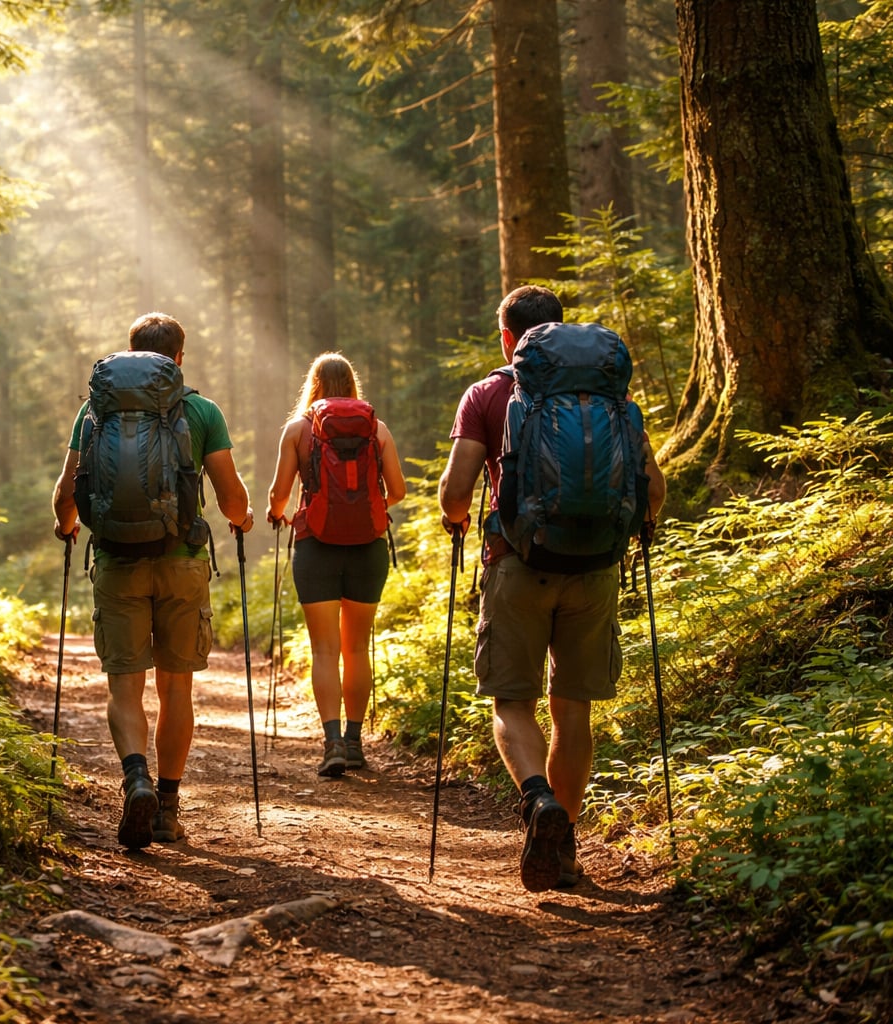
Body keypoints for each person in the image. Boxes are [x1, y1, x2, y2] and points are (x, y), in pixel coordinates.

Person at [437, 284, 666, 892]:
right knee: (574, 709)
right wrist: (637, 528)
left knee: (511, 700)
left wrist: (457, 519)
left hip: (518, 565)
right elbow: (652, 485)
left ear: (508, 338)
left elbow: (456, 490)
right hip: (594, 568)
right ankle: (565, 848)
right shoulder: (610, 393)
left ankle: (537, 800)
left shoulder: (487, 394)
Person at [52, 312, 254, 851]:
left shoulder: (95, 411)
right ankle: (166, 806)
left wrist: (66, 525)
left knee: (125, 686)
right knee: (175, 687)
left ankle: (135, 776)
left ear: (131, 354)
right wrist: (242, 518)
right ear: (178, 358)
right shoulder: (201, 410)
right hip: (182, 560)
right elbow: (232, 499)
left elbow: (65, 498)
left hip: (117, 562)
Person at [266, 353, 407, 777]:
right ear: (352, 386)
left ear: (313, 385)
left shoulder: (297, 431)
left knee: (325, 650)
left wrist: (284, 514)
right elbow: (396, 491)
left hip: (316, 547)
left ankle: (331, 746)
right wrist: (365, 509)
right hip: (368, 547)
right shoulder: (376, 430)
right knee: (357, 647)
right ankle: (355, 740)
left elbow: (278, 495)